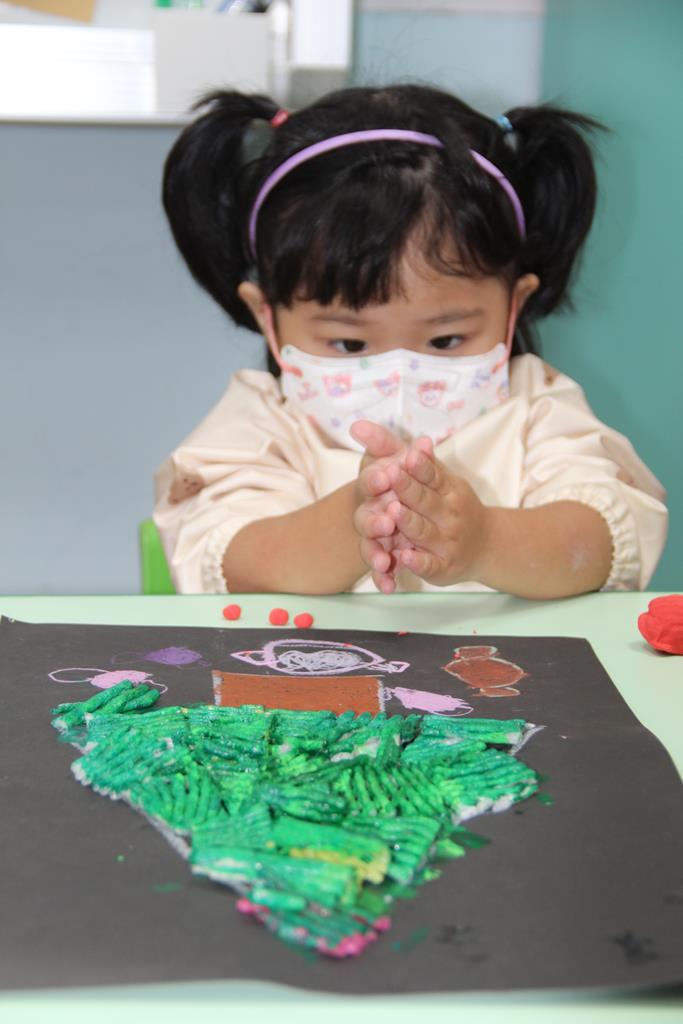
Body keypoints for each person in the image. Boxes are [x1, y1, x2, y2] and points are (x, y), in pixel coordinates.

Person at [154, 84, 667, 597]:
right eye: (350, 345)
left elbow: (601, 542)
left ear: (515, 304)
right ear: (266, 315)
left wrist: (486, 542)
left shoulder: (538, 408)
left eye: (445, 340)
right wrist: (353, 524)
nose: (398, 372)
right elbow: (230, 561)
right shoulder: (260, 423)